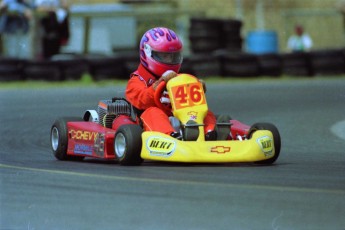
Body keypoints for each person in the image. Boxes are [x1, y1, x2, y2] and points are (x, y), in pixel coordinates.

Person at [125, 27, 217, 140]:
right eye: (164, 56)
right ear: (147, 53)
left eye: (173, 56)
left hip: (180, 116)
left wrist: (197, 86)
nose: (170, 61)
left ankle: (210, 132)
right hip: (148, 124)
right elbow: (142, 100)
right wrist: (159, 84)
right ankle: (170, 137)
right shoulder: (137, 80)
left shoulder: (176, 78)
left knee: (203, 111)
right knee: (153, 112)